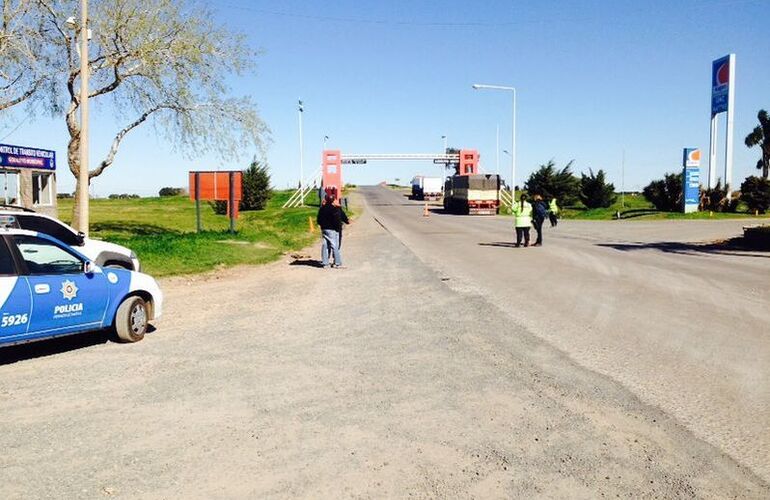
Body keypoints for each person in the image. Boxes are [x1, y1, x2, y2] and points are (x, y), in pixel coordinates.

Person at [316, 192, 349, 268]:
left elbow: (318, 219)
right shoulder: (335, 209)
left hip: (324, 229)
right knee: (335, 245)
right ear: (333, 200)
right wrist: (338, 228)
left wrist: (322, 226)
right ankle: (337, 263)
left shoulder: (322, 208)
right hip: (332, 229)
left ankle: (325, 263)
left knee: (325, 245)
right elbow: (336, 220)